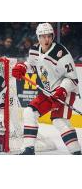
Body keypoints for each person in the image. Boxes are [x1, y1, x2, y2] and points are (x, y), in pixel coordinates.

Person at [12, 22, 81, 155]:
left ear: (53, 36)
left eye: (49, 36)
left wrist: (61, 90)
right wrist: (23, 67)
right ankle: (28, 149)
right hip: (47, 92)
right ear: (38, 37)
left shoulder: (61, 53)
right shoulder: (34, 50)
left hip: (65, 91)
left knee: (59, 121)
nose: (46, 39)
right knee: (29, 112)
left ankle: (77, 152)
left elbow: (73, 79)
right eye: (42, 36)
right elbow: (32, 64)